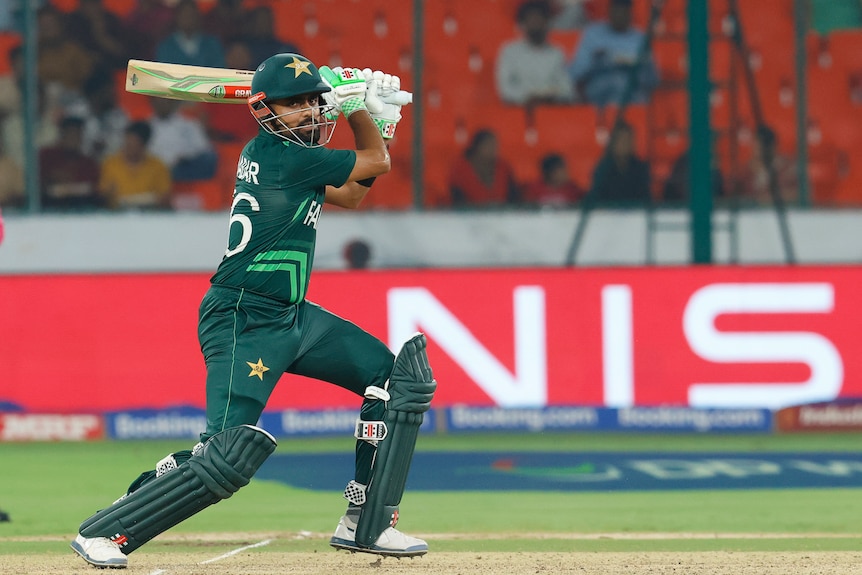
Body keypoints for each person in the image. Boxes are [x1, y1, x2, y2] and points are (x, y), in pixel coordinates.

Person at [70, 53, 436, 569]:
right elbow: (375, 164)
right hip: (244, 317)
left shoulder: (291, 157)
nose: (309, 112)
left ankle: (366, 522)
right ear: (266, 112)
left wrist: (377, 124)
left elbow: (351, 195)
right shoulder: (284, 155)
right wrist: (364, 117)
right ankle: (109, 529)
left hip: (291, 315)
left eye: (313, 100)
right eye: (295, 105)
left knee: (395, 383)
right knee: (222, 454)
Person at [567, 0, 659, 107]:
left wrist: (643, 63)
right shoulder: (593, 34)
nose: (619, 16)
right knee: (616, 85)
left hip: (632, 93)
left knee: (625, 86)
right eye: (616, 11)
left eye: (623, 12)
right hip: (599, 90)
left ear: (630, 14)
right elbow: (575, 73)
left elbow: (653, 79)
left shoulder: (639, 39)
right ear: (610, 12)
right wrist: (597, 60)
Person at [495, 0, 574, 106]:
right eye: (531, 19)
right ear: (523, 24)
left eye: (539, 19)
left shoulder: (556, 53)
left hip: (551, 109)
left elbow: (567, 88)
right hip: (519, 111)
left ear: (547, 22)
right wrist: (528, 97)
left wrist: (552, 96)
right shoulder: (510, 52)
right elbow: (505, 89)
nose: (536, 23)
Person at [100, 121, 172, 210]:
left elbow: (164, 197)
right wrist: (108, 195)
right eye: (127, 143)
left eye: (134, 144)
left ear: (144, 145)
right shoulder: (110, 164)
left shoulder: (158, 166)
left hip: (149, 216)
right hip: (117, 216)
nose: (129, 148)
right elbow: (102, 194)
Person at [39, 115, 104, 211]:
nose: (73, 139)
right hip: (49, 209)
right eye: (70, 134)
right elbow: (37, 187)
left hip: (82, 210)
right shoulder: (46, 156)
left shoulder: (88, 163)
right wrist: (52, 179)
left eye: (77, 134)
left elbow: (93, 190)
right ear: (62, 135)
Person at [147, 97, 217, 182]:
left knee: (209, 158)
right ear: (152, 103)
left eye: (165, 102)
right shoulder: (146, 126)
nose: (162, 105)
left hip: (183, 167)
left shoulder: (188, 124)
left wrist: (184, 157)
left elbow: (203, 148)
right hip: (157, 169)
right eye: (158, 102)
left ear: (172, 103)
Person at [448, 128, 521, 207]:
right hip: (469, 215)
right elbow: (457, 200)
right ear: (477, 146)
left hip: (502, 215)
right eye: (489, 145)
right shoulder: (460, 170)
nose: (494, 149)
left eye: (495, 145)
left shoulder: (504, 168)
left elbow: (514, 197)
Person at [587, 120, 651, 204]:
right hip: (607, 214)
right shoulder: (603, 169)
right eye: (622, 140)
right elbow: (596, 196)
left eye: (628, 140)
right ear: (613, 143)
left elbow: (645, 197)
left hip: (635, 214)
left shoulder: (640, 168)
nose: (625, 144)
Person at [736, 124, 798, 205]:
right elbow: (735, 198)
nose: (759, 149)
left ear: (773, 146)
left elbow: (798, 194)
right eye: (756, 144)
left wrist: (767, 198)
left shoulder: (787, 168)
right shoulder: (745, 171)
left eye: (763, 145)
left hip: (781, 213)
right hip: (752, 215)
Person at [155, 0, 226, 69]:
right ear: (177, 17)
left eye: (191, 14)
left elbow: (219, 71)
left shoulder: (212, 44)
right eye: (184, 14)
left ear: (198, 16)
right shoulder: (166, 47)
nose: (188, 18)